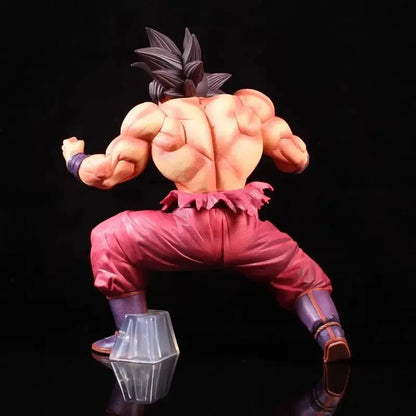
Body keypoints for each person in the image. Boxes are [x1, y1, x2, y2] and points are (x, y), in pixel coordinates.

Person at [62, 27, 351, 363]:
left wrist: (74, 158)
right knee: (300, 272)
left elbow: (106, 175)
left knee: (109, 236)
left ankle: (131, 336)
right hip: (247, 231)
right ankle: (331, 335)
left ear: (160, 89)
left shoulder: (155, 116)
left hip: (189, 234)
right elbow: (296, 160)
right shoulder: (250, 106)